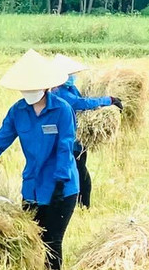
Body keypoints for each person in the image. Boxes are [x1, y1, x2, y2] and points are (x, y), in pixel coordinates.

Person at [0, 49, 83, 270]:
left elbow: (65, 147)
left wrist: (61, 181)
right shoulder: (18, 111)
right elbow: (0, 139)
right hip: (32, 186)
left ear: (46, 86)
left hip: (60, 188)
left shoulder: (62, 110)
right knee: (32, 237)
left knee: (52, 241)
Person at [50, 53, 123, 210]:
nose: (72, 77)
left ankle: (80, 205)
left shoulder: (70, 87)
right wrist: (108, 100)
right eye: (69, 74)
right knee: (80, 175)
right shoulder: (59, 93)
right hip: (68, 141)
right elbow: (80, 103)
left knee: (79, 172)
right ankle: (82, 206)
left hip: (77, 140)